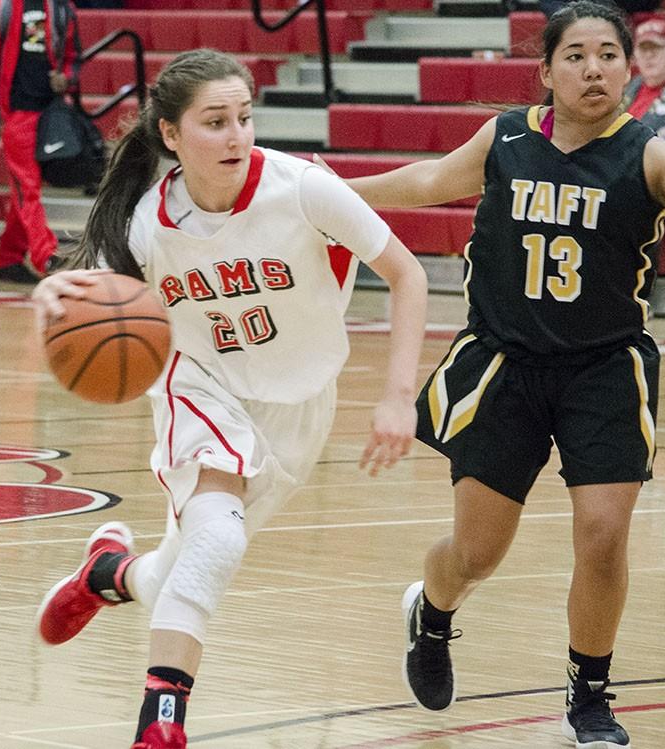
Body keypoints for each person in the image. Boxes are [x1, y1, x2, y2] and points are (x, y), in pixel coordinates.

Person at [318, 2, 665, 747]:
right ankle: (434, 609)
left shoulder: (650, 153)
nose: (595, 69)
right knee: (476, 553)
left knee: (605, 533)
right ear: (546, 71)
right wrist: (331, 192)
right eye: (577, 55)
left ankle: (589, 694)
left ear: (626, 68)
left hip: (604, 367)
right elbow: (429, 179)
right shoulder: (507, 136)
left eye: (609, 55)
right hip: (504, 362)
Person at [31, 49, 427, 749]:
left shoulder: (302, 188)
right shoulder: (147, 223)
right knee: (218, 537)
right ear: (172, 136)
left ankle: (110, 573)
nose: (237, 135)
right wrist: (50, 296)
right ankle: (160, 725)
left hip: (300, 404)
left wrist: (399, 396)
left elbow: (407, 273)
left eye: (244, 117)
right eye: (215, 122)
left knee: (188, 563)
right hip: (200, 389)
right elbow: (77, 293)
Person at [0, 0, 81, 283]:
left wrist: (68, 78)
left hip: (50, 114)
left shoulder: (63, 8)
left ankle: (8, 260)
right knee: (27, 187)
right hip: (16, 113)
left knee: (25, 190)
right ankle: (46, 255)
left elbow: (74, 57)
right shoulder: (1, 7)